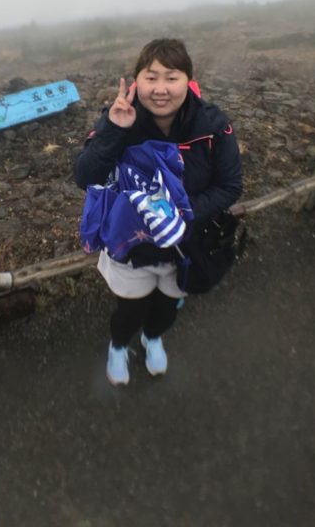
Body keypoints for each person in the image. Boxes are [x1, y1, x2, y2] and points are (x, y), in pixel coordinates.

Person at [74, 38, 243, 385]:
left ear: (189, 81)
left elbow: (229, 186)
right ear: (136, 81)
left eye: (172, 77)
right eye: (151, 78)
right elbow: (85, 177)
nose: (161, 89)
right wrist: (114, 130)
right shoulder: (119, 118)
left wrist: (179, 214)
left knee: (167, 309)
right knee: (130, 310)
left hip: (187, 245)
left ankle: (153, 339)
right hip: (131, 246)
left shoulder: (211, 125)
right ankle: (119, 346)